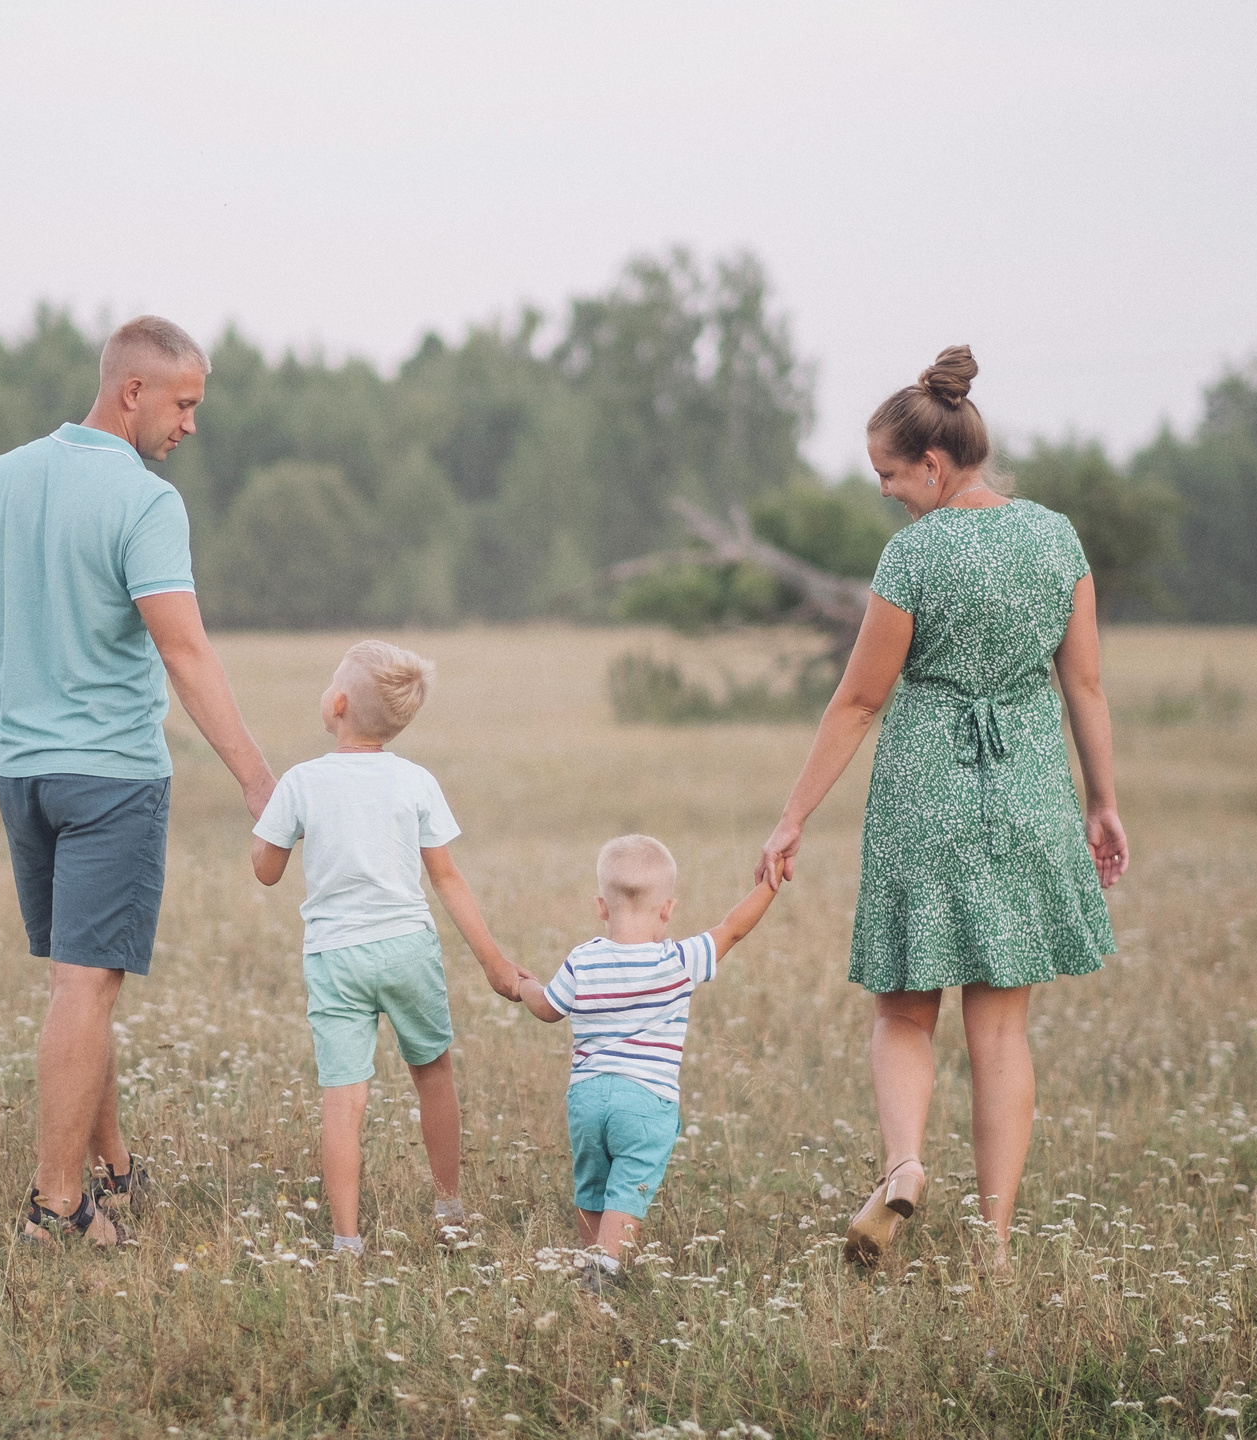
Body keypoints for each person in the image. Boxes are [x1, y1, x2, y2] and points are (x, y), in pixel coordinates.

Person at [756, 344, 1127, 1271]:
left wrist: (792, 816)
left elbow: (858, 701)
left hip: (926, 798)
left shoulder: (914, 556)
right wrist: (1103, 802)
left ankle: (906, 1165)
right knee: (1000, 1031)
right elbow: (1085, 685)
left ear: (931, 464)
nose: (884, 490)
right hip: (1030, 793)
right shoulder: (1057, 539)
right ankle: (994, 1245)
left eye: (888, 474)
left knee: (904, 1013)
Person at [0, 316, 277, 1247]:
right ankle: (57, 1205)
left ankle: (115, 1167)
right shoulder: (145, 502)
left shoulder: (0, 479)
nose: (191, 425)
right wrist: (257, 779)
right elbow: (185, 651)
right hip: (112, 779)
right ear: (134, 392)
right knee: (86, 989)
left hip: (25, 776)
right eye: (184, 404)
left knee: (76, 982)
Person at [250, 640, 527, 1258]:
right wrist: (494, 963)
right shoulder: (416, 781)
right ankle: (449, 1208)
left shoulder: (301, 782)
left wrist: (268, 822)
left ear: (338, 704)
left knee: (344, 1096)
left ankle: (346, 1240)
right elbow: (446, 879)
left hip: (335, 957)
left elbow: (266, 871)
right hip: (408, 949)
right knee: (433, 1072)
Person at [511, 835, 779, 1293]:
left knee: (592, 1182)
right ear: (667, 909)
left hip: (587, 1097)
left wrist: (523, 986)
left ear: (601, 906)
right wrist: (768, 886)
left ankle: (592, 1260)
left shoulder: (584, 958)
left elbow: (548, 1009)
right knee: (629, 1183)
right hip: (647, 1098)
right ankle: (604, 1269)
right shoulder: (677, 961)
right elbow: (733, 928)